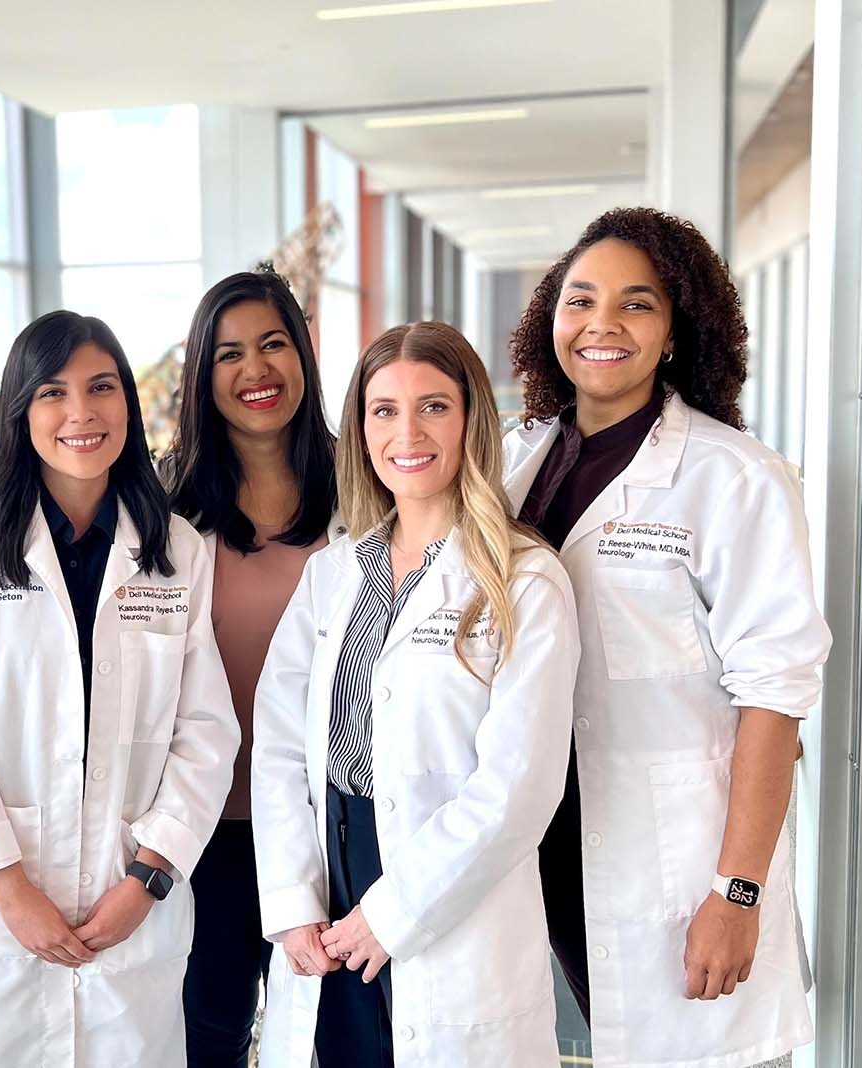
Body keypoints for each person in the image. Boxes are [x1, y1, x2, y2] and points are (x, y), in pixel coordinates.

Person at [504, 206, 831, 1068]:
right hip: (552, 839)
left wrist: (738, 891)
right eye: (580, 300)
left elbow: (778, 692)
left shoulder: (735, 478)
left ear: (679, 329)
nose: (601, 324)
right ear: (551, 321)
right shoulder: (518, 460)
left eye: (637, 304)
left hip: (678, 863)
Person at [0, 310, 239, 1066]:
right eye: (53, 392)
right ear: (21, 411)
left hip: (128, 910)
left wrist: (146, 878)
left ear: (129, 404)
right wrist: (11, 889)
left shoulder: (175, 547)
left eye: (101, 388)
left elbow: (206, 732)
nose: (81, 413)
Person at [251, 322, 580, 1067]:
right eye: (383, 410)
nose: (408, 432)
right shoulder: (333, 574)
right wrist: (291, 904)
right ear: (361, 429)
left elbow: (518, 790)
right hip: (329, 891)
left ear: (470, 420)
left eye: (434, 406)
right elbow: (277, 749)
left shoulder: (525, 580)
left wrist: (395, 914)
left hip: (448, 893)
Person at [161, 269, 341, 1067]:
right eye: (228, 354)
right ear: (203, 377)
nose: (255, 371)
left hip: (333, 828)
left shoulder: (367, 482)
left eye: (273, 344)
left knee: (332, 1036)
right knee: (209, 1036)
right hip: (208, 836)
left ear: (302, 354)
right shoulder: (162, 503)